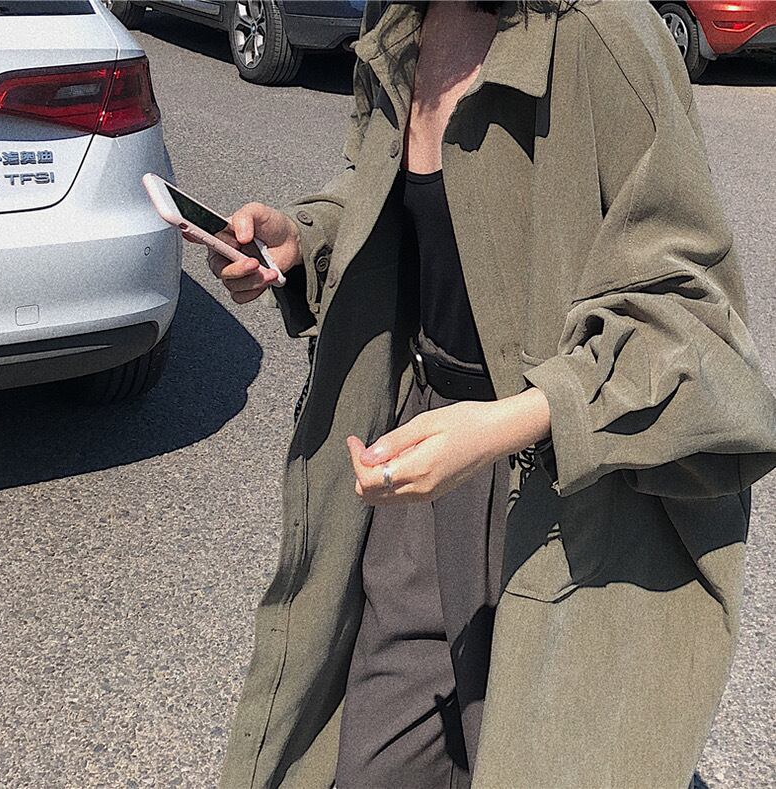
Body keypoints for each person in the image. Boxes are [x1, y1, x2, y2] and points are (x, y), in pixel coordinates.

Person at [198, 1, 776, 787]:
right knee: (375, 762)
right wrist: (302, 237)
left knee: (548, 751)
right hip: (423, 452)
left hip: (565, 485)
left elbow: (692, 321)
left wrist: (514, 420)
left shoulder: (602, 32)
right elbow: (378, 187)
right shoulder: (400, 20)